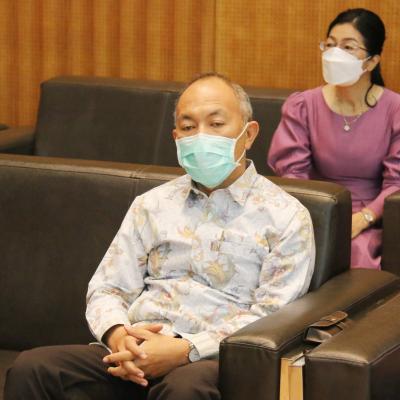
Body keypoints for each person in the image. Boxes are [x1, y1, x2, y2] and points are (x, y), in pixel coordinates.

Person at [5, 73, 315, 400]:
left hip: (213, 359)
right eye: (188, 127)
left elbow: (272, 315)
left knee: (185, 389)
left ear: (248, 134)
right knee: (33, 368)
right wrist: (118, 336)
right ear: (176, 137)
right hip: (135, 348)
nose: (201, 136)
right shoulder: (152, 205)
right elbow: (108, 287)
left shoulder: (285, 216)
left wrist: (186, 349)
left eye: (216, 123)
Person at [268, 8, 400, 269]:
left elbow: (397, 182)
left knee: (355, 254)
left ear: (372, 61)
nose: (334, 54)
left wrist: (363, 218)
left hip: (371, 219)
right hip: (313, 209)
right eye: (330, 45)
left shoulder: (395, 110)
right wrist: (315, 216)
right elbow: (293, 174)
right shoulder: (303, 105)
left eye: (348, 47)